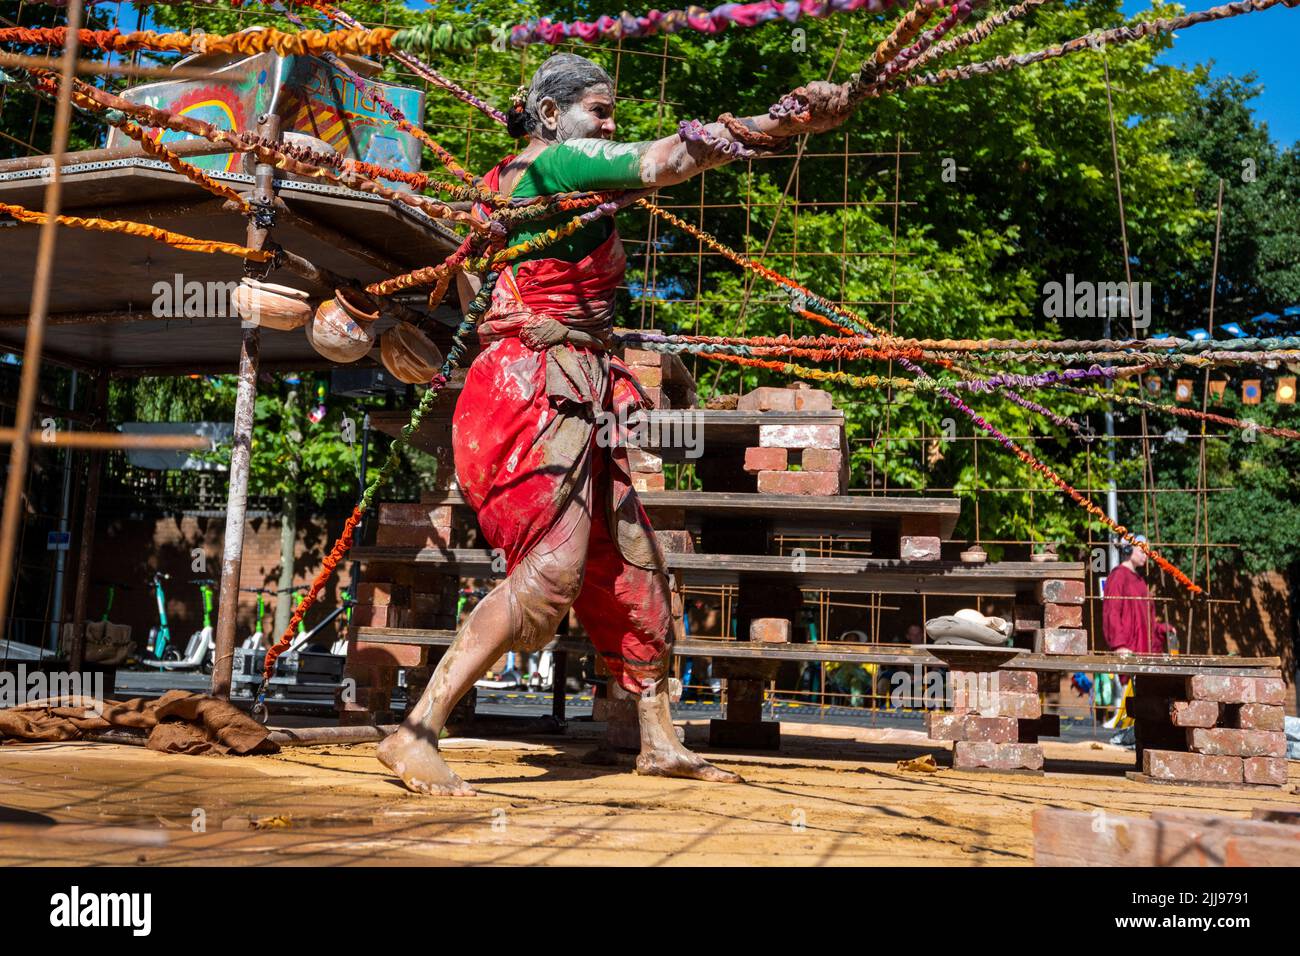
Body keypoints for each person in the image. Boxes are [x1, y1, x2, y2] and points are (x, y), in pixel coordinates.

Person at [377, 53, 851, 795]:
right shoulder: (562, 161)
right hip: (533, 392)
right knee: (550, 570)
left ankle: (658, 739)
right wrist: (780, 120)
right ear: (548, 115)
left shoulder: (508, 183)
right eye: (600, 110)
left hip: (560, 386)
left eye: (610, 114)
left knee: (633, 561)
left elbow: (483, 282)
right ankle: (416, 732)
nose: (609, 124)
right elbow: (669, 158)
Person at [1102, 536, 1175, 656]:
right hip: (1128, 649)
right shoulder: (1118, 576)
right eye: (1142, 551)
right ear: (1128, 549)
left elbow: (1148, 619)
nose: (1146, 555)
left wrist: (1162, 629)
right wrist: (1119, 645)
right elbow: (1112, 612)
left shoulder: (1140, 581)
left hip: (1144, 650)